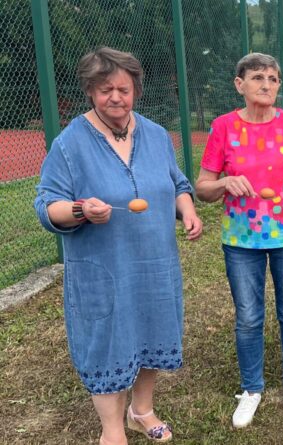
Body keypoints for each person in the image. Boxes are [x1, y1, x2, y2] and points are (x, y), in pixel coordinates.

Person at [33, 47, 203, 445]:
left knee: (153, 331)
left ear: (136, 91)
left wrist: (188, 210)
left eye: (123, 90)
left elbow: (177, 183)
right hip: (103, 266)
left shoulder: (156, 135)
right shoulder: (69, 143)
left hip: (155, 261)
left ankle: (141, 410)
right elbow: (47, 205)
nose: (115, 98)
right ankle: (112, 429)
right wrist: (80, 209)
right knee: (107, 343)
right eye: (105, 89)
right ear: (90, 90)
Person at [195, 53, 283, 427]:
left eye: (273, 79)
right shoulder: (223, 127)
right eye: (258, 77)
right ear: (240, 84)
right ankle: (251, 389)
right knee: (248, 317)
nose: (266, 84)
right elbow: (202, 188)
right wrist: (223, 182)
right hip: (241, 239)